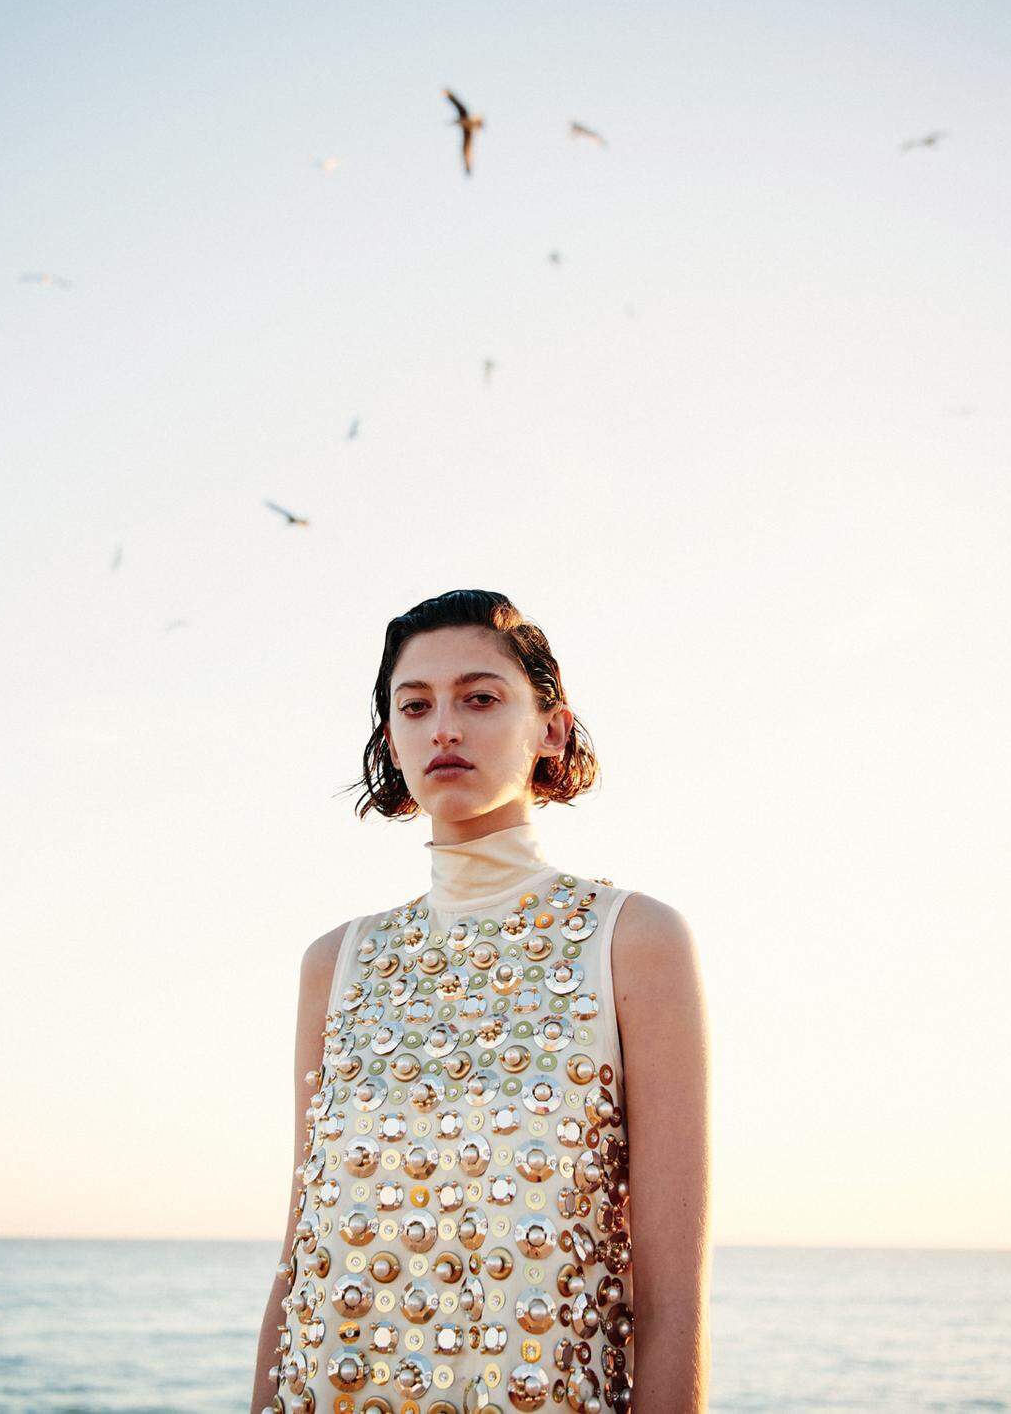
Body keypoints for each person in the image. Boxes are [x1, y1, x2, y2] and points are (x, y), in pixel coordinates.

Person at [250, 589, 711, 1413]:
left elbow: (673, 1299)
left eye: (481, 698)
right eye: (415, 706)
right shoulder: (336, 961)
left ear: (552, 729)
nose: (445, 728)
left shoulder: (634, 940)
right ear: (392, 739)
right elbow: (298, 1266)